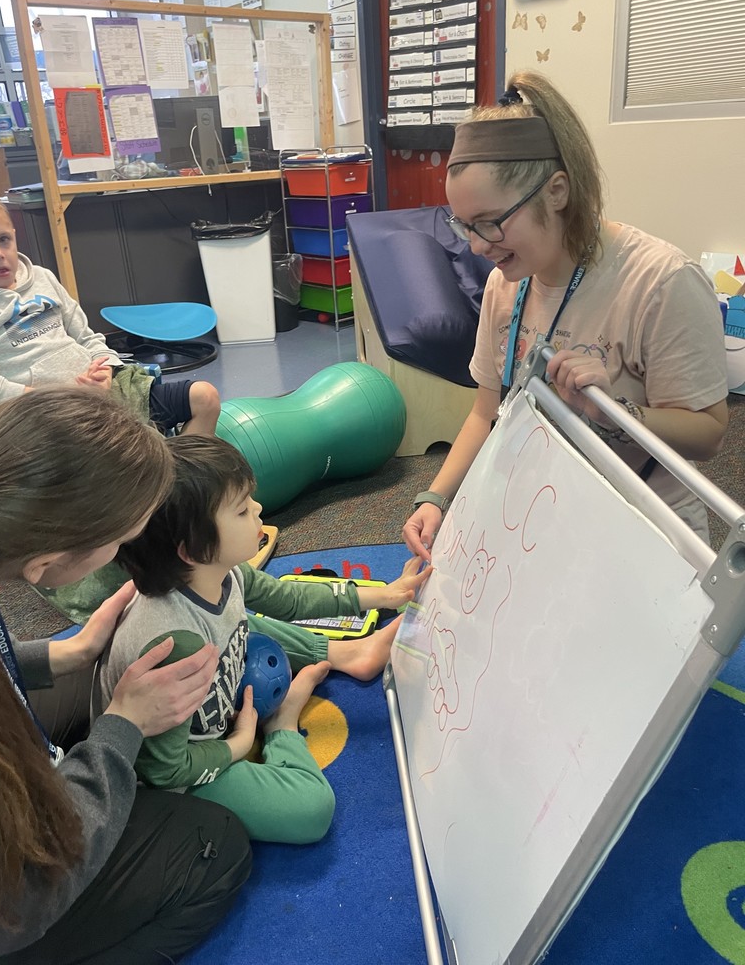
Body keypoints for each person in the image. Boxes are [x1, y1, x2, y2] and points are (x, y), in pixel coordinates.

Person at [0, 388, 252, 965]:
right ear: (45, 568)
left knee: (81, 684)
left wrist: (70, 653)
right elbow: (18, 900)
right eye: (123, 541)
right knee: (216, 847)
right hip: (1, 906)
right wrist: (122, 727)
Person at [403, 70, 728, 557]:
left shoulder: (661, 282)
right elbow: (484, 412)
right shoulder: (505, 283)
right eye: (463, 225)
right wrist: (435, 496)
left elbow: (709, 434)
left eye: (489, 223)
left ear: (556, 192)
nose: (475, 246)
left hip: (649, 534)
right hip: (549, 521)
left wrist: (619, 414)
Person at [97, 434, 432, 845]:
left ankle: (351, 652)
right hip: (177, 778)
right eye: (241, 510)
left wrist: (382, 595)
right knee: (311, 810)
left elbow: (289, 599)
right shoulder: (174, 644)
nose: (258, 510)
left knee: (248, 620)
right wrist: (238, 745)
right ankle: (281, 726)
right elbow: (165, 769)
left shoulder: (223, 574)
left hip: (208, 703)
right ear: (192, 550)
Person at [0, 192, 220, 435]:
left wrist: (105, 370)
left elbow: (89, 338)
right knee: (140, 448)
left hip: (103, 390)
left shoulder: (43, 277)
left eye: (4, 239)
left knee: (205, 398)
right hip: (45, 413)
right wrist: (57, 396)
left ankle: (185, 471)